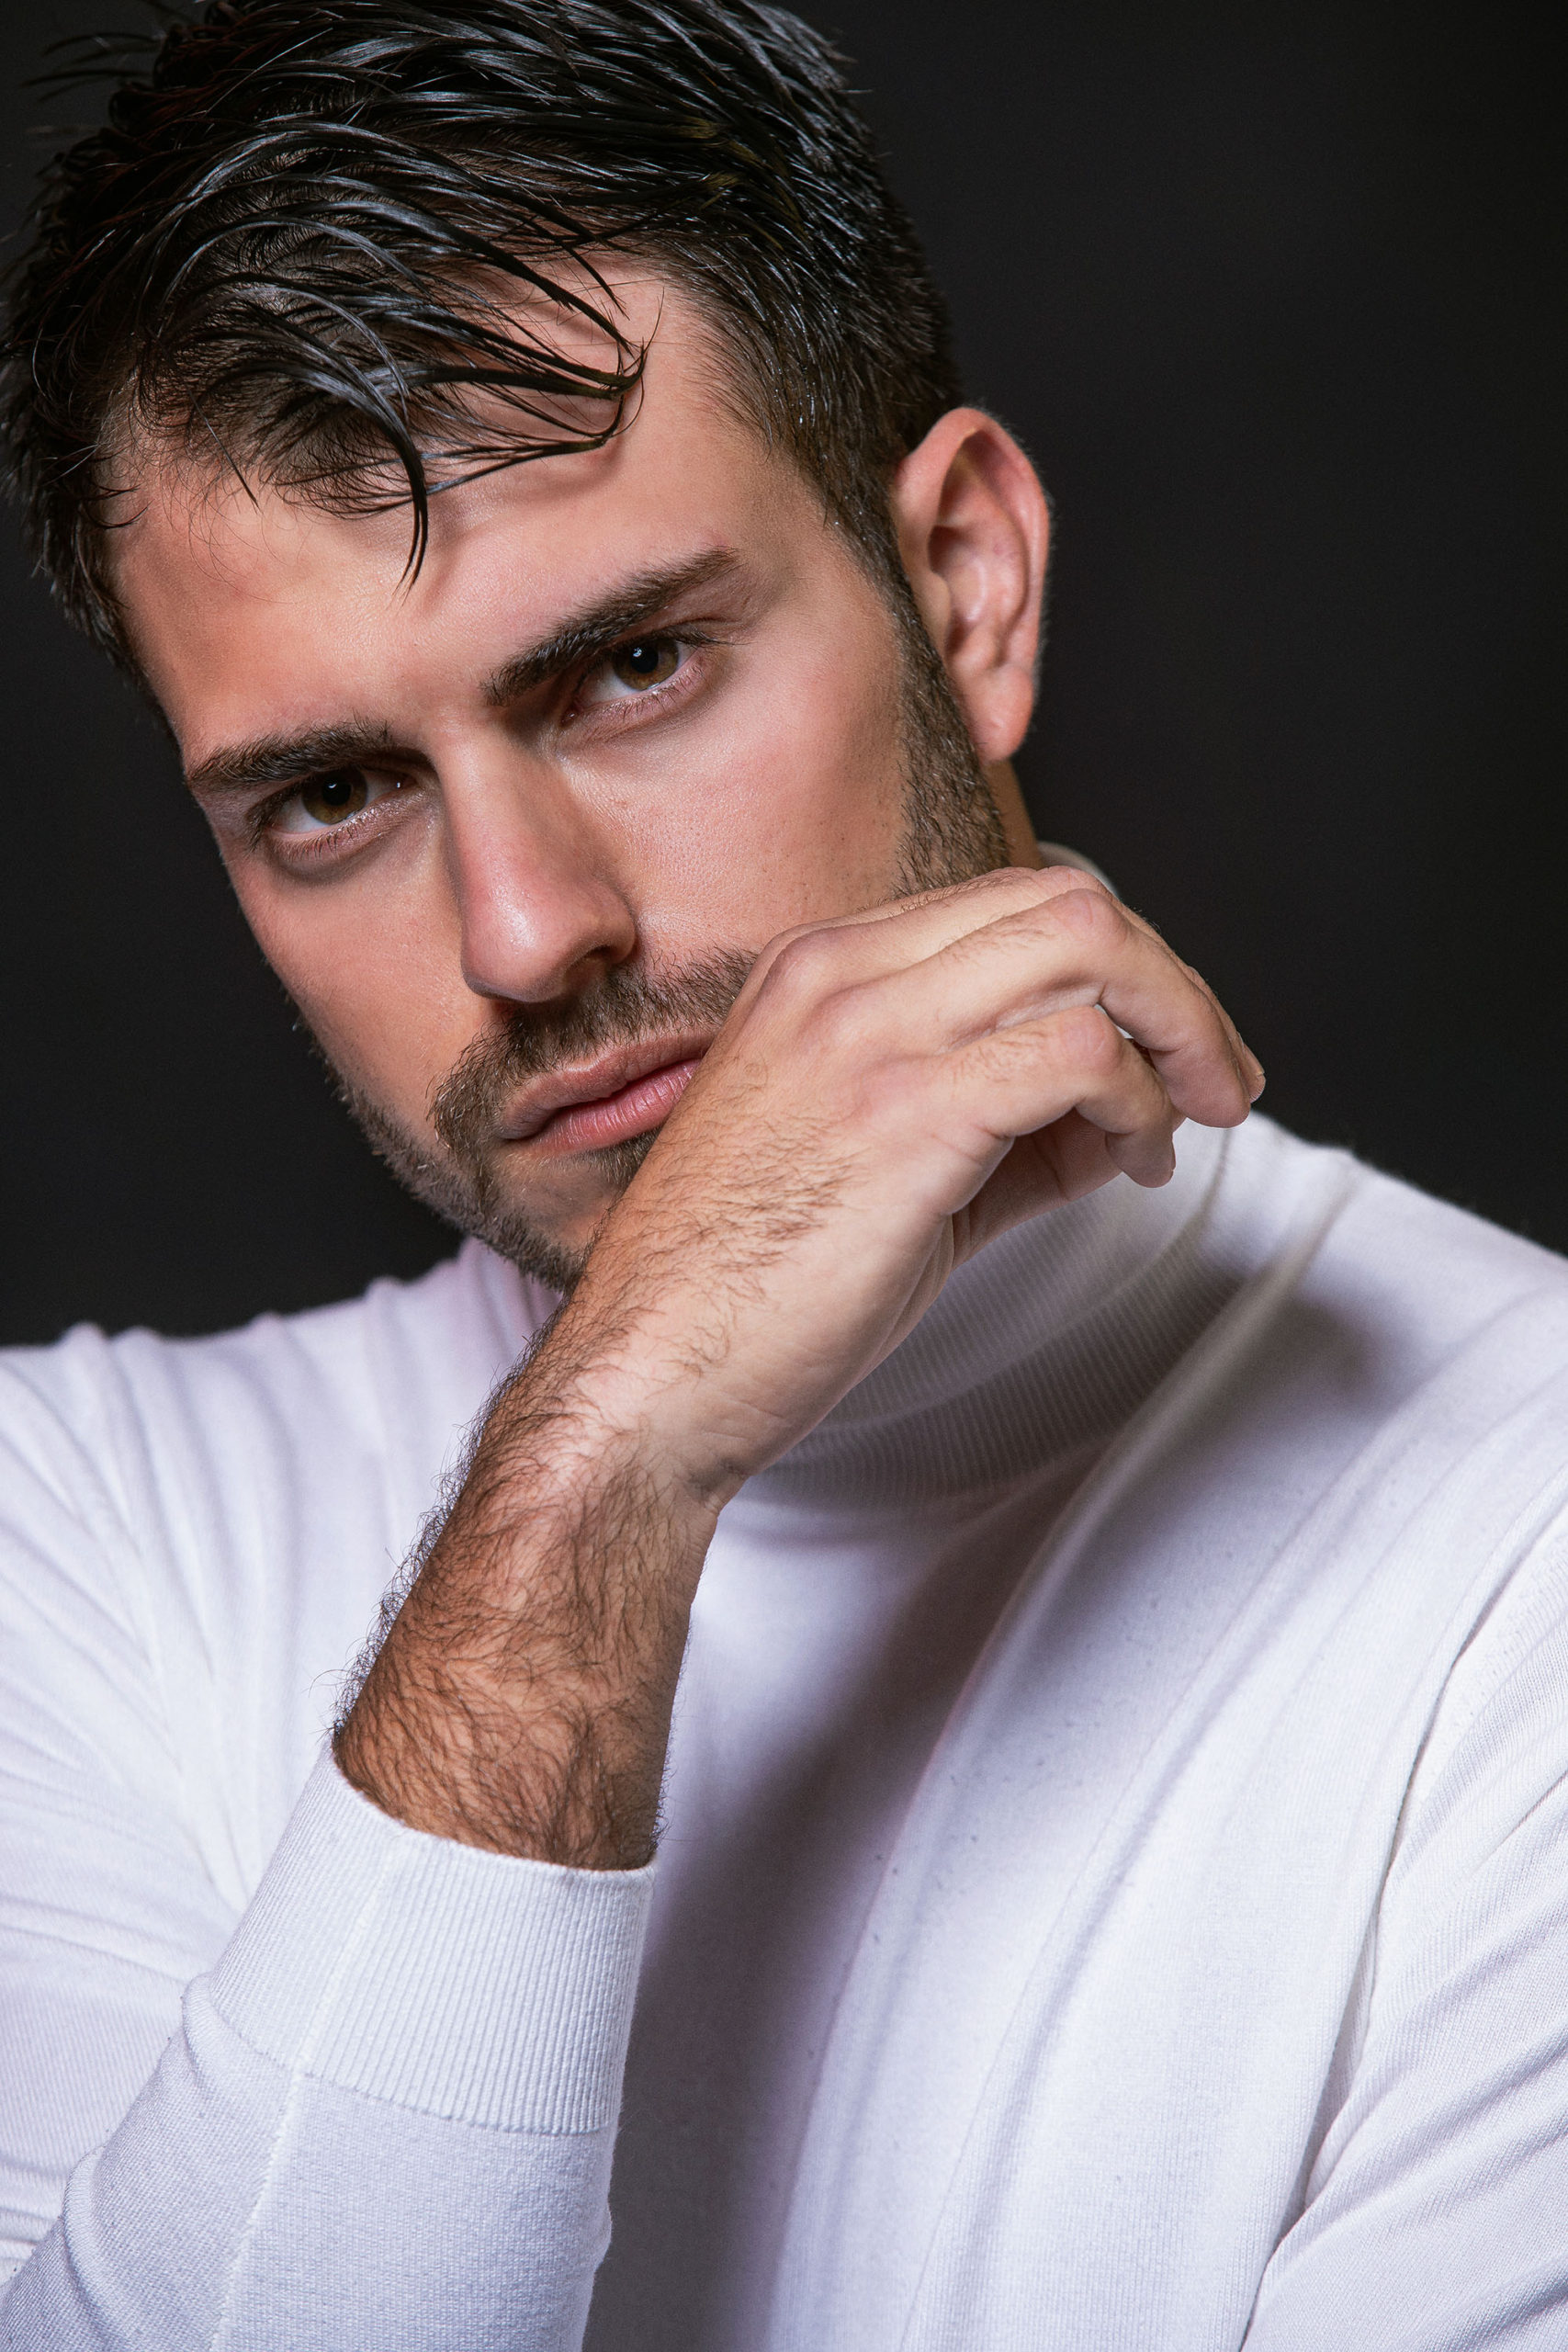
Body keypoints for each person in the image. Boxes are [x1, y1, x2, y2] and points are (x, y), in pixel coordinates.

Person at [0, 2, 1564, 2345]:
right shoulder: (75, 1536)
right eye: (330, 795)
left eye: (631, 664)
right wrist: (605, 1465)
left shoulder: (1523, 1539)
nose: (521, 930)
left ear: (964, 588)